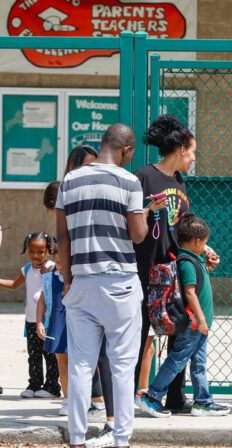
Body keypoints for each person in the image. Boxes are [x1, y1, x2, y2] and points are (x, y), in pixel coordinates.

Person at [56, 124, 156, 447]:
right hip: (120, 284)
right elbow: (138, 235)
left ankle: (76, 438)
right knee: (123, 366)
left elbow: (63, 238)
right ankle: (121, 439)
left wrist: (68, 281)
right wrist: (144, 215)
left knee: (81, 366)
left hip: (82, 282)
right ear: (126, 150)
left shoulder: (70, 180)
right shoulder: (129, 182)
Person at [133, 115, 219, 413]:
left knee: (178, 330)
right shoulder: (144, 176)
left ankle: (175, 397)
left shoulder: (180, 182)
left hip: (175, 272)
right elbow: (131, 220)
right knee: (139, 334)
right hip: (146, 270)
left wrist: (204, 248)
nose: (194, 158)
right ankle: (128, 395)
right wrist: (148, 209)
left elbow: (182, 228)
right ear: (181, 149)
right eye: (192, 151)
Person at [42, 147, 112, 430]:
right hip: (75, 279)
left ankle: (100, 401)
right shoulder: (68, 195)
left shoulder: (104, 192)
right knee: (76, 346)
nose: (92, 171)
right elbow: (63, 240)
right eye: (86, 166)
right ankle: (84, 401)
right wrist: (65, 274)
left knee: (100, 347)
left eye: (96, 165)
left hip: (100, 275)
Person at [137, 213, 230, 417]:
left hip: (199, 326)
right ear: (197, 241)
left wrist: (207, 265)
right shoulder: (186, 262)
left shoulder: (194, 259)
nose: (206, 247)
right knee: (177, 361)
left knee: (198, 364)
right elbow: (189, 293)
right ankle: (152, 396)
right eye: (204, 242)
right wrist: (201, 319)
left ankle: (203, 401)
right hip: (194, 324)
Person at [0, 232, 59, 399]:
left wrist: (46, 274)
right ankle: (34, 385)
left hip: (48, 321)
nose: (36, 255)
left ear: (48, 250)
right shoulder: (26, 269)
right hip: (31, 320)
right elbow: (14, 284)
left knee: (50, 355)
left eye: (41, 251)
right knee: (34, 355)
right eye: (32, 251)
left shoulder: (53, 268)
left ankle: (52, 387)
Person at [36, 249, 68, 415]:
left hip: (76, 325)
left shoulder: (79, 278)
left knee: (78, 364)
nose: (61, 266)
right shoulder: (48, 279)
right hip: (57, 325)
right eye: (58, 262)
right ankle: (68, 398)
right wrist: (39, 322)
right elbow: (41, 302)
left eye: (65, 262)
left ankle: (88, 398)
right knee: (62, 363)